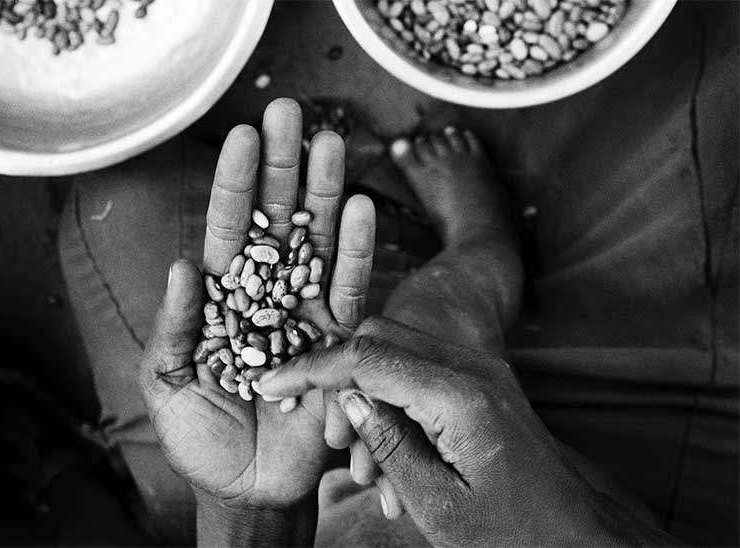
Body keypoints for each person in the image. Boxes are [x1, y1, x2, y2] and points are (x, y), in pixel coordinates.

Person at [59, 7, 737, 539]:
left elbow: (254, 489)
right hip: (628, 478)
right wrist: (564, 534)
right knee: (706, 98)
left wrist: (253, 513)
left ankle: (80, 492)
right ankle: (479, 260)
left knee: (116, 194)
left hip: (292, 478)